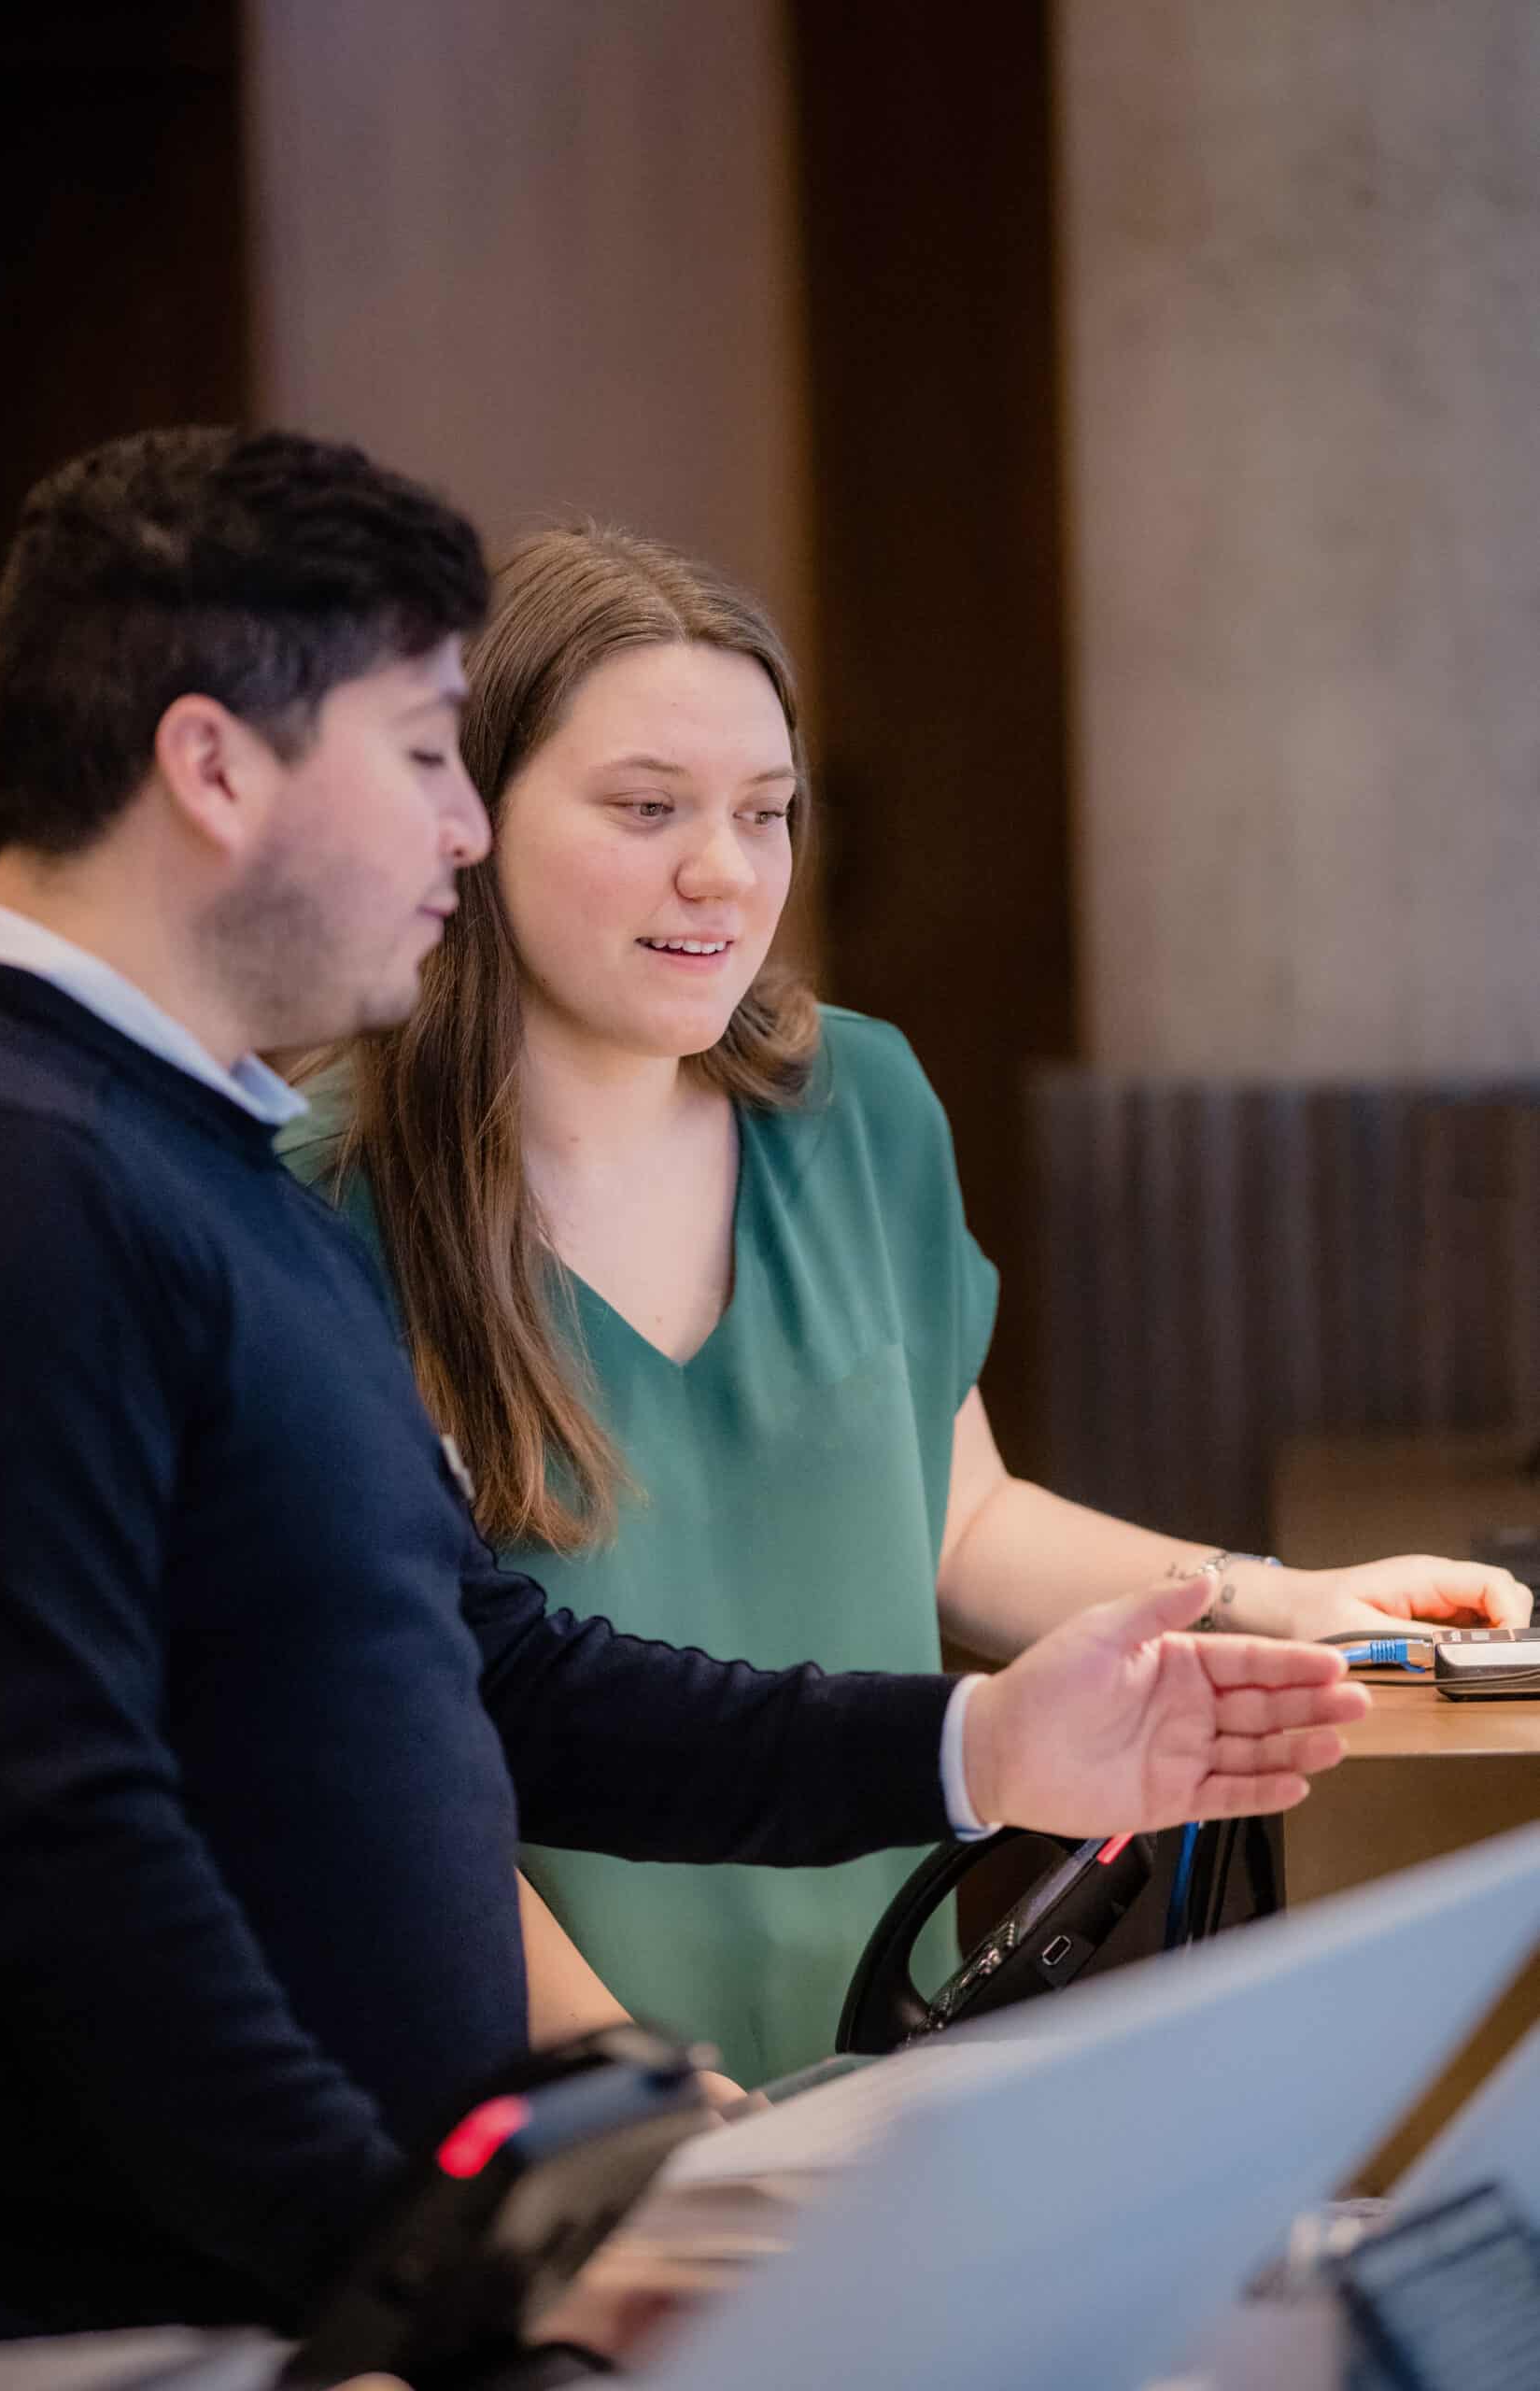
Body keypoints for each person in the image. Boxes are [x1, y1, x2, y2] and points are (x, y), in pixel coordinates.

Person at [0, 429, 1365, 2349]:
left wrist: (979, 1747)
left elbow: (492, 1669)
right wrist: (418, 2251)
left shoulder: (187, 1159)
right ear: (211, 767)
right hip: (173, 2306)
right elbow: (53, 1830)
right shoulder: (16, 1165)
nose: (453, 829)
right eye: (424, 758)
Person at [283, 524, 1531, 2087]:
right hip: (542, 2099)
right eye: (645, 807)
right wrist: (625, 2090)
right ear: (469, 818)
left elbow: (956, 1521)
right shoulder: (309, 1201)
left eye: (766, 809)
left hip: (885, 2047)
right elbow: (382, 1752)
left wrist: (1273, 1599)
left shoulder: (854, 1103)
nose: (722, 871)